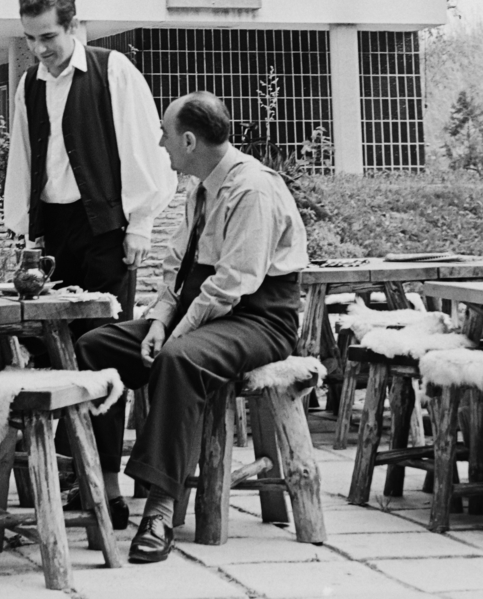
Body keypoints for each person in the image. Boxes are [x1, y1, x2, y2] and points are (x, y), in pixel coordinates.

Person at [77, 91, 310, 563]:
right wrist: (160, 323)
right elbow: (174, 273)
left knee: (179, 360)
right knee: (95, 345)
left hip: (259, 318)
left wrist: (175, 334)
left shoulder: (252, 189)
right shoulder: (198, 187)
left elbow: (231, 285)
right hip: (200, 310)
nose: (160, 144)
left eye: (164, 134)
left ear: (188, 140)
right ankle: (100, 482)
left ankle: (161, 509)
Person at [4, 0, 176, 322]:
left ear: (72, 26)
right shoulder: (28, 84)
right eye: (29, 38)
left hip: (106, 226)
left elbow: (142, 145)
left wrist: (141, 224)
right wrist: (28, 228)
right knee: (56, 331)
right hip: (53, 228)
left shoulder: (113, 69)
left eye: (48, 36)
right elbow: (24, 159)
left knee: (105, 329)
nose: (39, 48)